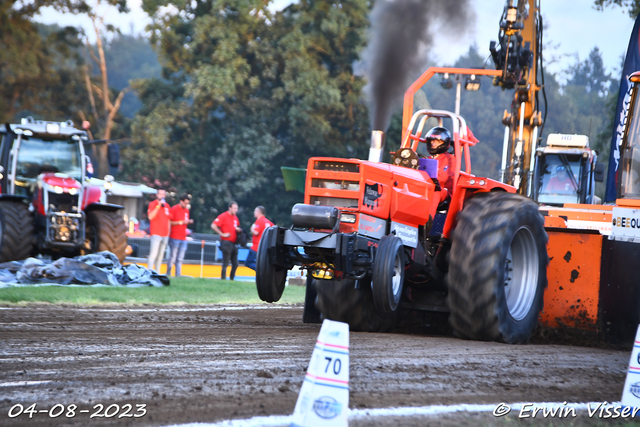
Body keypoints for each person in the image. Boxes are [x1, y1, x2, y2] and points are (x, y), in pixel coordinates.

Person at [211, 201, 242, 280]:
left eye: (237, 208)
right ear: (230, 208)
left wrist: (238, 230)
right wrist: (222, 234)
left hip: (234, 243)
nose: (236, 210)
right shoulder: (223, 216)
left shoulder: (235, 218)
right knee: (226, 263)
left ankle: (232, 279)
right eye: (234, 208)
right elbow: (213, 225)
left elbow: (237, 226)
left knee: (235, 264)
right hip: (226, 242)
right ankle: (223, 279)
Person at [425, 126, 455, 201]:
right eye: (431, 140)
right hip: (426, 185)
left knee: (435, 192)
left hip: (442, 189)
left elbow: (442, 178)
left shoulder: (449, 158)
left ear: (443, 143)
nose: (433, 143)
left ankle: (429, 213)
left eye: (437, 141)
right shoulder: (426, 159)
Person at [167, 194, 193, 276]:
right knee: (172, 257)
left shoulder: (186, 211)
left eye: (187, 203)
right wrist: (181, 222)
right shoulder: (174, 209)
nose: (186, 205)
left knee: (180, 258)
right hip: (174, 237)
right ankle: (169, 273)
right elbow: (170, 222)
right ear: (181, 201)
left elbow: (185, 222)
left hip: (183, 237)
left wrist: (188, 222)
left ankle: (178, 274)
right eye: (185, 203)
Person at [147, 188, 171, 273]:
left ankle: (157, 272)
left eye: (163, 194)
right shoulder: (153, 204)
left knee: (160, 256)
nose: (162, 195)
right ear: (157, 195)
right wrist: (158, 206)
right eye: (160, 194)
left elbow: (168, 219)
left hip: (165, 234)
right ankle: (149, 272)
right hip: (156, 233)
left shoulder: (167, 206)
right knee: (153, 254)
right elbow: (150, 216)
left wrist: (168, 232)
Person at [245, 206, 274, 271]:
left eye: (255, 211)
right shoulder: (268, 222)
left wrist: (251, 229)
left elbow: (256, 232)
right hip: (265, 247)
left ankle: (261, 271)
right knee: (261, 263)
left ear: (259, 212)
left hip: (256, 247)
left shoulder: (259, 221)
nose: (254, 213)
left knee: (248, 262)